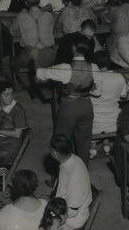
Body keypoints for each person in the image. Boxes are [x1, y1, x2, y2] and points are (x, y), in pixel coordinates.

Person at [36, 36, 99, 165]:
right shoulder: (94, 67)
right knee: (84, 144)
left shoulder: (65, 68)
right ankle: (82, 175)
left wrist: (35, 60)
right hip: (87, 107)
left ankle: (60, 177)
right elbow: (98, 92)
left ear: (73, 48)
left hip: (69, 108)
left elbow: (40, 73)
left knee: (61, 143)